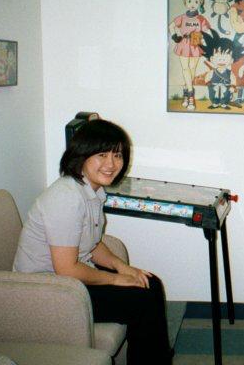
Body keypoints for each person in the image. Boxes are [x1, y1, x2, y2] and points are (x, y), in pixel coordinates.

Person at [13, 119, 172, 365]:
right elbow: (66, 268)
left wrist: (123, 267)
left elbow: (93, 244)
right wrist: (116, 279)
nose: (111, 164)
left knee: (149, 283)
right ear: (82, 156)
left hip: (67, 282)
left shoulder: (92, 190)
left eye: (117, 155)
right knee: (141, 300)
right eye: (101, 154)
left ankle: (154, 357)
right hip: (47, 291)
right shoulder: (65, 198)